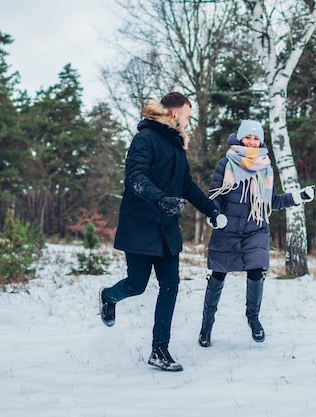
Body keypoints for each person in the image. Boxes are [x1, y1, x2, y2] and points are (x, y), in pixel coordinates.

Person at [98, 92, 226, 372]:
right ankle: (109, 296)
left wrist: (212, 210)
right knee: (136, 284)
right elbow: (135, 179)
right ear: (173, 114)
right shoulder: (144, 139)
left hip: (166, 228)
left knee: (170, 286)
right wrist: (160, 199)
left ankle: (159, 350)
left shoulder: (177, 146)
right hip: (140, 225)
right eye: (187, 116)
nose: (189, 123)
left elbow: (187, 186)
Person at [198, 120, 315, 347]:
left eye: (256, 139)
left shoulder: (265, 167)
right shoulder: (226, 163)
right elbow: (215, 195)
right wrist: (215, 216)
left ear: (261, 141)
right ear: (240, 139)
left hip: (255, 229)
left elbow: (272, 201)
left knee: (256, 271)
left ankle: (253, 319)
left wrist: (299, 196)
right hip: (227, 229)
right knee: (218, 275)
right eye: (247, 138)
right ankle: (206, 327)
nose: (252, 142)